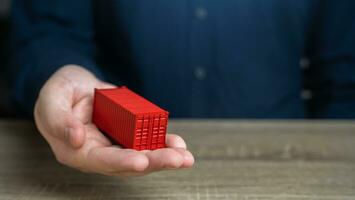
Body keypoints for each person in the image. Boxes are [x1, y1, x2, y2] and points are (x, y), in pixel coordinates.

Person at [9, 1, 355, 176]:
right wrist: (60, 74)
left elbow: (345, 76)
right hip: (116, 170)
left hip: (287, 168)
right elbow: (46, 31)